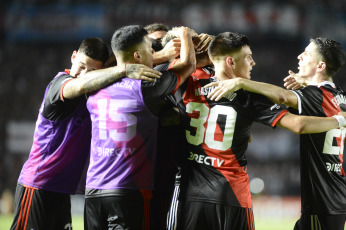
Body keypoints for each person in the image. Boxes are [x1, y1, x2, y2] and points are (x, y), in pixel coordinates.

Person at [167, 32, 346, 230]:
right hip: (234, 193)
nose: (253, 63)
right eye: (248, 57)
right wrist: (338, 120)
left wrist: (192, 50)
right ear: (230, 62)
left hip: (189, 191)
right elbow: (296, 121)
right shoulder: (250, 96)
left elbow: (164, 73)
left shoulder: (188, 80)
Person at [10, 37, 162, 230]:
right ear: (73, 57)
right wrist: (124, 69)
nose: (83, 74)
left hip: (61, 190)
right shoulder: (59, 85)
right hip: (38, 184)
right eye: (81, 66)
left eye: (91, 71)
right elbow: (81, 85)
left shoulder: (98, 92)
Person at [84, 25, 197, 230]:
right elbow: (188, 65)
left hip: (94, 190)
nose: (154, 53)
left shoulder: (93, 87)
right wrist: (186, 34)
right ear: (137, 55)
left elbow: (89, 79)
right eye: (149, 49)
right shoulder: (147, 87)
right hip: (130, 190)